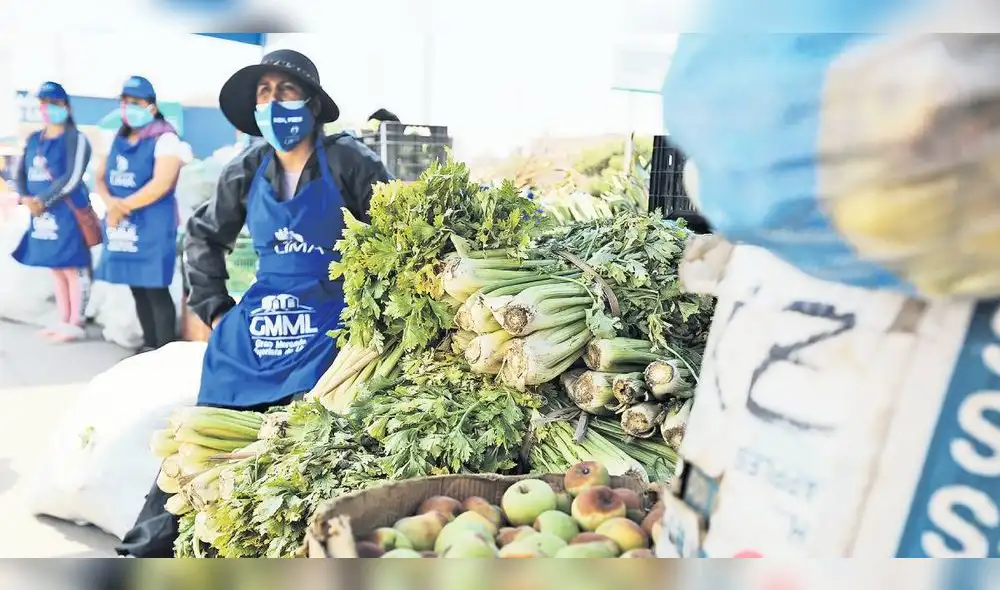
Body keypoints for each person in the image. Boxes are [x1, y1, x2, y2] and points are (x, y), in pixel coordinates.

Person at [117, 49, 392, 558]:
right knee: (202, 431)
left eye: (285, 90)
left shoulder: (349, 160)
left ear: (311, 102)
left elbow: (397, 232)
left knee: (302, 437)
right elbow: (202, 236)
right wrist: (216, 309)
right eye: (265, 93)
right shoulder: (247, 166)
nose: (274, 102)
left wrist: (374, 314)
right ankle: (147, 548)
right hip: (260, 317)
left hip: (329, 321)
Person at [92, 76, 184, 355]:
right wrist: (110, 204)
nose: (128, 107)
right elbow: (99, 177)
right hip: (122, 224)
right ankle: (149, 344)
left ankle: (165, 351)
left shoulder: (165, 138)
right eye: (124, 102)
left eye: (135, 102)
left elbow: (162, 183)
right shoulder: (116, 138)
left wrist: (121, 207)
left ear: (152, 107)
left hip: (153, 223)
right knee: (136, 286)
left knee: (155, 286)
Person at [10, 82, 94, 342]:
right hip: (40, 214)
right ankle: (62, 320)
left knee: (72, 268)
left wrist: (42, 200)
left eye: (54, 104)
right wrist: (25, 197)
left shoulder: (77, 139)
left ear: (66, 106)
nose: (48, 109)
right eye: (44, 104)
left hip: (67, 212)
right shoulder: (35, 139)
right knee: (55, 268)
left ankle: (75, 323)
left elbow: (72, 177)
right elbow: (20, 172)